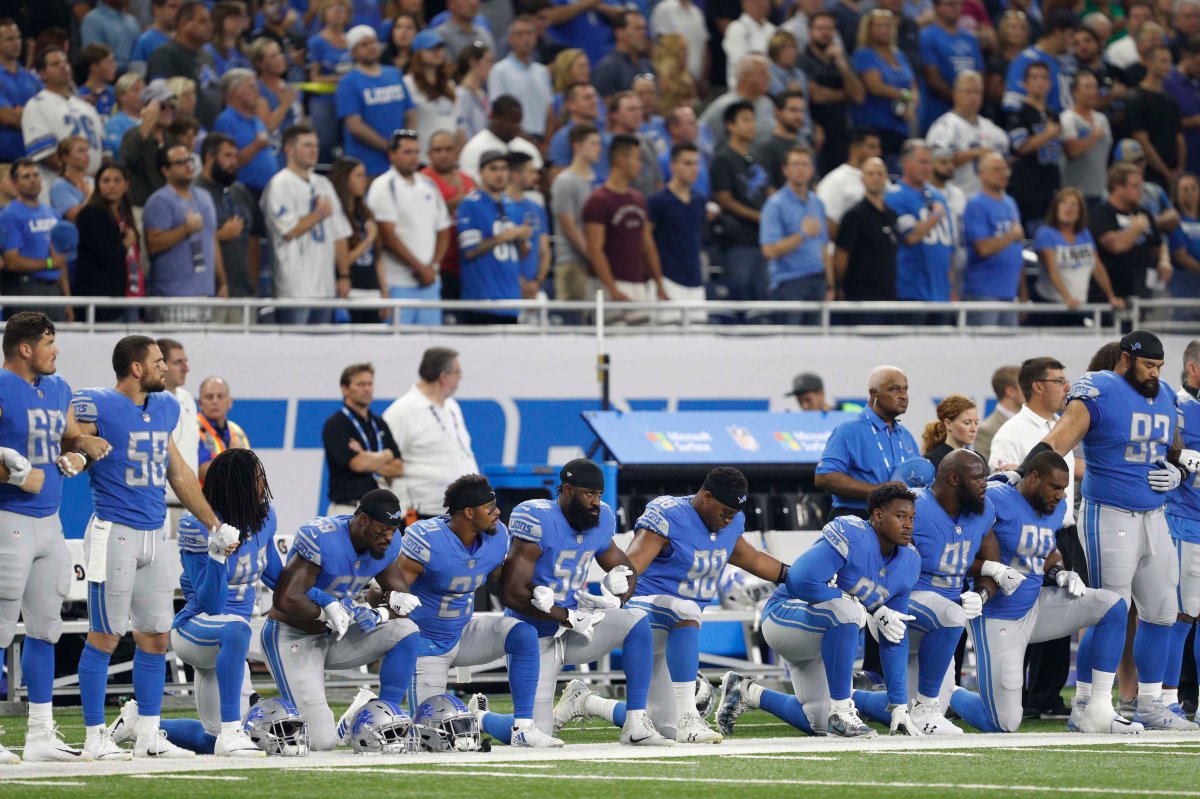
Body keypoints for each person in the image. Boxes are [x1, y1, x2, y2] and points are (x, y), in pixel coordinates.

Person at [71, 336, 229, 760]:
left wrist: (213, 522)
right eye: (158, 361)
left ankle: (149, 734)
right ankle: (93, 736)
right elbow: (73, 439)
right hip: (113, 530)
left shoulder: (165, 408)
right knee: (105, 635)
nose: (166, 368)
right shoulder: (98, 403)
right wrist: (82, 446)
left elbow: (178, 472)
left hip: (154, 532)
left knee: (156, 637)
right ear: (136, 368)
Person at [1033, 329, 1200, 731]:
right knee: (1110, 608)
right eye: (1147, 365)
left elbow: (1173, 448)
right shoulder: (1100, 388)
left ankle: (1150, 704)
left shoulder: (1165, 398)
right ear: (1125, 359)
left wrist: (1177, 471)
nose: (1154, 374)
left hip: (1155, 515)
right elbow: (1054, 443)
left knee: (1161, 612)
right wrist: (1027, 477)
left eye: (1159, 367)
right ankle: (1091, 706)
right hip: (1109, 511)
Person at [573, 467, 791, 743]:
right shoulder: (670, 515)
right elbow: (631, 566)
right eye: (724, 513)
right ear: (707, 497)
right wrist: (616, 595)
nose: (728, 521)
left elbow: (754, 559)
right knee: (684, 609)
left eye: (733, 516)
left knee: (663, 726)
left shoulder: (730, 522)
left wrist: (794, 575)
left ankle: (585, 702)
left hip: (678, 630)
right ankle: (690, 717)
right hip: (643, 612)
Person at [949, 451, 1137, 734]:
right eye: (1055, 487)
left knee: (1112, 605)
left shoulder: (1055, 509)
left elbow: (1045, 550)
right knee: (1003, 724)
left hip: (1036, 605)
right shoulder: (996, 499)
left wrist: (1059, 571)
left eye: (1064, 489)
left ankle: (1093, 709)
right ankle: (944, 691)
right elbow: (957, 549)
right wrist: (993, 570)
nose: (1061, 496)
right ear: (1033, 478)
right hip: (999, 617)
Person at [715, 485, 923, 738]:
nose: (908, 524)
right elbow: (799, 579)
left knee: (818, 722)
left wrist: (899, 706)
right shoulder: (854, 535)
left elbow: (894, 633)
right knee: (848, 611)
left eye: (911, 518)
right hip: (785, 616)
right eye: (900, 516)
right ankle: (842, 710)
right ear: (877, 515)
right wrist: (868, 605)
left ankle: (746, 692)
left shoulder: (909, 561)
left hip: (824, 634)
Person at [0, 312, 111, 764]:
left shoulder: (59, 387)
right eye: (49, 341)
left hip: (50, 522)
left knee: (46, 627)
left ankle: (41, 734)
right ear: (25, 348)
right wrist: (10, 475)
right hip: (7, 518)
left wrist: (80, 455)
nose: (56, 349)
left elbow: (72, 437)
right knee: (1, 627)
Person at [495, 459, 664, 743]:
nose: (597, 502)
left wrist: (617, 595)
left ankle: (635, 722)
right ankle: (479, 717)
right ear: (568, 490)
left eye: (599, 494)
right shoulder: (537, 517)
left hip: (576, 627)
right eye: (590, 494)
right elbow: (511, 592)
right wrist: (565, 615)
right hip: (532, 632)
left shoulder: (602, 519)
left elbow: (627, 571)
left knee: (635, 621)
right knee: (533, 733)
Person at [390, 474, 561, 747]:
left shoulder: (496, 537)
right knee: (432, 738)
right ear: (469, 513)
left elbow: (498, 585)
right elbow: (390, 587)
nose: (498, 512)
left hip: (463, 632)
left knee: (522, 633)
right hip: (425, 642)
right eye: (490, 507)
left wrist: (535, 591)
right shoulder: (427, 537)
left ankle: (522, 726)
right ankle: (359, 715)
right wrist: (394, 604)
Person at [842, 451, 992, 735]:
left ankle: (849, 697)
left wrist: (987, 584)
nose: (908, 523)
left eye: (910, 517)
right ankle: (923, 708)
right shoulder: (911, 511)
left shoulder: (982, 509)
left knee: (994, 722)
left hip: (938, 619)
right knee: (951, 615)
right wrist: (874, 606)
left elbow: (985, 557)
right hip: (899, 608)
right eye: (977, 477)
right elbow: (864, 563)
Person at [260, 488, 422, 752]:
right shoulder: (323, 537)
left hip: (337, 635)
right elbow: (286, 598)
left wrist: (378, 611)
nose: (389, 537)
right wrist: (327, 611)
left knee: (406, 630)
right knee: (320, 742)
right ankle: (250, 720)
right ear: (363, 519)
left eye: (394, 529)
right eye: (382, 529)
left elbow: (402, 599)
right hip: (293, 634)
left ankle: (381, 716)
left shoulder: (388, 543)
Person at [148, 448, 280, 757]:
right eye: (256, 479)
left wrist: (323, 600)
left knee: (211, 739)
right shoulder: (198, 525)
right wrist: (217, 557)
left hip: (234, 641)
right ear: (237, 486)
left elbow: (277, 575)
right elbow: (210, 604)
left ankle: (139, 724)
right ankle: (233, 732)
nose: (263, 484)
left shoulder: (265, 515)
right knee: (235, 629)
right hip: (197, 629)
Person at [261, 124, 351, 325]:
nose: (314, 150)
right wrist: (318, 213)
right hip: (294, 289)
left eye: (316, 145)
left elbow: (340, 233)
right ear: (289, 150)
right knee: (294, 350)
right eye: (307, 145)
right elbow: (288, 230)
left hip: (325, 287)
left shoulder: (323, 184)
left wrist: (344, 275)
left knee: (322, 352)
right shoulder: (279, 184)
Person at [365, 129, 452, 326]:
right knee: (397, 346)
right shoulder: (383, 186)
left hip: (429, 282)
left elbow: (443, 230)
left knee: (430, 343)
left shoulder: (429, 184)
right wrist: (419, 268)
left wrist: (432, 267)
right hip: (397, 281)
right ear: (392, 154)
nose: (413, 158)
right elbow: (387, 235)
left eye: (416, 152)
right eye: (407, 152)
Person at [815, 365, 922, 521]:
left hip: (897, 520)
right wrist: (877, 491)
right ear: (874, 393)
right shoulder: (849, 430)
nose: (903, 396)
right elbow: (824, 477)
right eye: (894, 389)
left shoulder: (905, 435)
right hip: (855, 518)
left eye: (905, 389)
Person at [382, 348, 478, 519]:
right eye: (457, 372)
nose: (460, 377)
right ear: (443, 377)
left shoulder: (452, 407)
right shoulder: (402, 411)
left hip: (459, 513)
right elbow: (383, 465)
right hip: (421, 514)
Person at [583, 134, 668, 322]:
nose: (640, 165)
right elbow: (595, 250)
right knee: (612, 343)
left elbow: (647, 244)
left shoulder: (638, 199)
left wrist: (659, 283)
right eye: (637, 158)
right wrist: (613, 289)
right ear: (621, 159)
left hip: (637, 283)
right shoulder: (598, 201)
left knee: (640, 346)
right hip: (608, 285)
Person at [143, 143, 225, 322]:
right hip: (173, 297)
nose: (188, 165)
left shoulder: (204, 196)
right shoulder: (159, 201)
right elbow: (153, 244)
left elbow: (212, 240)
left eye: (189, 159)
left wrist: (223, 282)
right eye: (180, 162)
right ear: (166, 170)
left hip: (205, 293)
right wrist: (185, 229)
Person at [454, 150, 531, 324]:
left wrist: (522, 237)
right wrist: (504, 236)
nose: (500, 174)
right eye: (493, 169)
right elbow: (470, 250)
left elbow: (523, 254)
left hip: (511, 302)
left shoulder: (514, 207)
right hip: (481, 301)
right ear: (481, 172)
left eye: (504, 169)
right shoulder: (470, 204)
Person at [1165, 350, 1200, 717]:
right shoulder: (1173, 406)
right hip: (1185, 520)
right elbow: (1154, 454)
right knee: (1181, 615)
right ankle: (1167, 702)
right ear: (1193, 367)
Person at [195, 131, 261, 324]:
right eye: (227, 156)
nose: (234, 162)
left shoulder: (240, 192)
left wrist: (253, 283)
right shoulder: (195, 192)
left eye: (235, 156)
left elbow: (253, 239)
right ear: (209, 157)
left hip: (244, 292)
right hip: (213, 292)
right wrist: (218, 236)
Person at [760, 146, 830, 326]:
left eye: (805, 164)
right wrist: (802, 234)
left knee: (816, 346)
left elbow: (823, 247)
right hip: (789, 283)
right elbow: (768, 250)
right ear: (785, 170)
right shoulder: (775, 204)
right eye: (796, 164)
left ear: (812, 170)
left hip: (818, 282)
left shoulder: (817, 203)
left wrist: (830, 285)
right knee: (790, 345)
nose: (801, 169)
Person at [1032, 187, 1124, 323]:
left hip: (1078, 306)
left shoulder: (1085, 234)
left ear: (1080, 212)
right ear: (1056, 207)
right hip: (1052, 306)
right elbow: (1052, 270)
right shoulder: (1045, 233)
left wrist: (1111, 297)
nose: (1068, 209)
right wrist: (1067, 297)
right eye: (1064, 203)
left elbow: (1097, 268)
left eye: (1073, 205)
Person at [336, 25, 417, 178]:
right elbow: (355, 125)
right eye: (364, 45)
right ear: (353, 52)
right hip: (367, 164)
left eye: (373, 42)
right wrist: (390, 147)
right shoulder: (348, 82)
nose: (371, 47)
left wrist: (407, 142)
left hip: (401, 162)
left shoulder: (394, 73)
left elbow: (410, 112)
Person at [322, 363, 404, 516]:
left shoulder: (379, 423)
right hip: (348, 507)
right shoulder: (336, 424)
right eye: (360, 384)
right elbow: (358, 464)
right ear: (344, 388)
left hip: (380, 508)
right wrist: (386, 455)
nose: (367, 389)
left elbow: (399, 468)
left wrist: (367, 457)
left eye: (370, 384)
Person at [712, 100, 770, 306]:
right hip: (738, 240)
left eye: (753, 120)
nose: (752, 125)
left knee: (762, 296)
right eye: (745, 120)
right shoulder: (723, 158)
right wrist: (759, 217)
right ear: (730, 125)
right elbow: (724, 199)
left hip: (763, 240)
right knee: (741, 294)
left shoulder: (755, 158)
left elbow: (767, 191)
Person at [23, 48, 104, 194]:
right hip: (59, 185)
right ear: (42, 74)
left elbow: (104, 149)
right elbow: (46, 154)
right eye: (55, 64)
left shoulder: (87, 107)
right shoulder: (35, 105)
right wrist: (77, 177)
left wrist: (99, 180)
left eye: (65, 62)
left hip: (94, 185)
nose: (63, 66)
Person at [0, 159, 73, 321]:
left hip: (54, 288)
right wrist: (49, 263)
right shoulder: (9, 215)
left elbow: (60, 261)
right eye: (26, 176)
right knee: (29, 344)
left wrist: (67, 300)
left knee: (56, 343)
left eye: (35, 175)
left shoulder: (53, 213)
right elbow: (12, 261)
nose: (33, 180)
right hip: (24, 289)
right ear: (14, 182)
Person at [887, 139, 954, 315]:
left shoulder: (937, 196)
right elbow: (911, 237)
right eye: (922, 162)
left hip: (941, 293)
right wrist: (936, 216)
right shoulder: (896, 196)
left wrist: (951, 287)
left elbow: (949, 246)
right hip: (912, 291)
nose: (927, 168)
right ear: (906, 163)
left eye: (929, 163)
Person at [1091, 163, 1171, 305]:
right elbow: (1115, 245)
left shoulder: (1144, 213)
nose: (1140, 191)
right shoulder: (1102, 213)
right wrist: (1136, 228)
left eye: (1140, 186)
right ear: (1117, 187)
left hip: (1143, 288)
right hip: (1114, 291)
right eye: (1134, 186)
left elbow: (1159, 244)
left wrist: (1164, 260)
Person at [75, 161, 144, 322]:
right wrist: (126, 243)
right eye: (106, 181)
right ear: (98, 185)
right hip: (101, 301)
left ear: (126, 184)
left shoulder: (125, 214)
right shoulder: (91, 214)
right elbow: (102, 256)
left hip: (128, 293)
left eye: (117, 180)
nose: (111, 185)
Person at [962, 152, 1026, 326]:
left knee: (1010, 351)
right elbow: (983, 248)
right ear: (981, 173)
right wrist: (1011, 235)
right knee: (983, 349)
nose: (1004, 173)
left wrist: (1023, 293)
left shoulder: (1010, 203)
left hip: (1010, 292)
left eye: (1005, 169)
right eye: (997, 169)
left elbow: (1017, 252)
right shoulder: (976, 204)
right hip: (984, 292)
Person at [799, 11, 865, 176]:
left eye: (829, 28)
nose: (825, 32)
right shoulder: (802, 59)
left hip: (841, 131)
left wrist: (842, 65)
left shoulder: (842, 58)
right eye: (820, 28)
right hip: (816, 130)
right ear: (810, 32)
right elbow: (816, 95)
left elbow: (858, 95)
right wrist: (845, 94)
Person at [648, 142, 708, 323]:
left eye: (696, 164)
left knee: (698, 340)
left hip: (695, 280)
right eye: (688, 163)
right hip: (668, 280)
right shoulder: (658, 201)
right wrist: (657, 281)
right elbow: (645, 242)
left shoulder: (699, 200)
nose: (694, 169)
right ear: (672, 166)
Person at [832, 156, 899, 312]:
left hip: (888, 292)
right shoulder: (854, 216)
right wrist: (839, 285)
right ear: (862, 178)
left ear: (886, 178)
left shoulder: (892, 215)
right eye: (870, 174)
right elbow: (841, 255)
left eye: (879, 174)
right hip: (860, 294)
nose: (875, 178)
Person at [926, 71, 1009, 197]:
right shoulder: (945, 126)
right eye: (969, 92)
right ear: (956, 93)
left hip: (987, 200)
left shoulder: (991, 128)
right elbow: (937, 163)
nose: (974, 97)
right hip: (958, 197)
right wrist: (975, 153)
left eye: (977, 92)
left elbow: (1006, 158)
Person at [851, 9, 918, 162]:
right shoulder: (864, 54)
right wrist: (905, 95)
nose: (884, 30)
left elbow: (913, 84)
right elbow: (876, 87)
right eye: (878, 26)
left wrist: (912, 105)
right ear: (868, 29)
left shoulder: (900, 55)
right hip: (875, 125)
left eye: (887, 26)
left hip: (900, 126)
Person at [1004, 61, 1062, 227]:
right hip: (1026, 190)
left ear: (1050, 83)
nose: (1040, 82)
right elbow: (1021, 147)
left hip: (1050, 188)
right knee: (1029, 245)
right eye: (1035, 77)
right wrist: (1047, 134)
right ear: (1025, 83)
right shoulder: (1019, 113)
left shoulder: (1053, 114)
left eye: (1044, 77)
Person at [420, 131, 476, 302]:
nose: (443, 154)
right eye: (438, 150)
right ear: (429, 154)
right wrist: (450, 204)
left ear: (457, 152)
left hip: (466, 263)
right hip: (437, 262)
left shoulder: (469, 181)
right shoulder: (422, 181)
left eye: (448, 149)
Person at [146, 1, 219, 128]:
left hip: (207, 131)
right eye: (203, 21)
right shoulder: (166, 54)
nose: (210, 26)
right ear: (184, 23)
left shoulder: (206, 56)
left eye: (210, 21)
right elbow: (159, 99)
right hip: (181, 132)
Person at [331, 157, 386, 323]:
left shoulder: (365, 214)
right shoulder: (337, 216)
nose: (364, 180)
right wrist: (367, 240)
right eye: (359, 175)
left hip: (372, 292)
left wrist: (384, 292)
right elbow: (342, 260)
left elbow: (377, 258)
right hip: (351, 291)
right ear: (345, 178)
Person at [549, 123, 600, 306]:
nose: (598, 149)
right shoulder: (565, 181)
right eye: (593, 144)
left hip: (593, 263)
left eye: (599, 144)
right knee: (573, 321)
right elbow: (568, 226)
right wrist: (594, 255)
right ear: (577, 146)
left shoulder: (597, 181)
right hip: (572, 262)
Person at [919, 0, 984, 132]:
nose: (956, 8)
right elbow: (932, 76)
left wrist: (971, 99)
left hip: (970, 113)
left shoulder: (970, 38)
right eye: (950, 4)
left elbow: (980, 73)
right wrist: (959, 99)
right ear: (937, 7)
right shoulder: (927, 36)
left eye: (959, 4)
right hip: (938, 110)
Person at [1129, 45, 1185, 190]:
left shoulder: (1170, 101)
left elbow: (1179, 138)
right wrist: (1165, 172)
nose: (1167, 66)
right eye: (1162, 61)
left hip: (1173, 174)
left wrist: (1179, 169)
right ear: (1148, 62)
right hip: (1149, 175)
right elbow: (1142, 140)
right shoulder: (1136, 98)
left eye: (1169, 62)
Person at [212, 69, 275, 199]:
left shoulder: (257, 120)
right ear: (234, 91)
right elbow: (226, 162)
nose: (257, 92)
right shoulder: (226, 121)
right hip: (245, 193)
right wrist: (256, 146)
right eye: (251, 87)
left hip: (268, 192)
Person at [1002, 8, 1075, 114]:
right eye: (1070, 35)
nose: (1072, 41)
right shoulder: (1026, 60)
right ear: (1058, 32)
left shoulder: (1061, 61)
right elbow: (1013, 104)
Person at [816, 127, 883, 241]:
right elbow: (828, 223)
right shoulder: (835, 181)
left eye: (878, 147)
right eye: (872, 147)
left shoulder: (881, 178)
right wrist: (849, 247)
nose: (878, 152)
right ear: (854, 148)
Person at [458, 94, 544, 182]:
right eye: (511, 121)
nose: (516, 127)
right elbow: (469, 184)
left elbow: (539, 181)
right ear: (493, 117)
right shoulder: (474, 148)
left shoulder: (527, 148)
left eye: (518, 122)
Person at [404, 31, 460, 161]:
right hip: (422, 157)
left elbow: (457, 125)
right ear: (418, 53)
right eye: (431, 49)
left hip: (448, 159)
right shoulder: (408, 84)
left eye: (440, 48)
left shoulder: (450, 85)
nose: (437, 52)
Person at [1059, 73, 1112, 208]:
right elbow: (1072, 151)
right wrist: (1093, 137)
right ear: (1075, 92)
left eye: (1094, 87)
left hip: (1100, 190)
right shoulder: (1068, 119)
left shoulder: (1102, 119)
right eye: (1087, 87)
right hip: (1076, 193)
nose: (1092, 92)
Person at [0, 20, 43, 164]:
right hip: (5, 159)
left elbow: (49, 109)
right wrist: (35, 116)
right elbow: (7, 118)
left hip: (33, 157)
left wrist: (22, 113)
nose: (16, 43)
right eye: (9, 39)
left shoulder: (31, 77)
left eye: (18, 38)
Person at [752, 90, 811, 191]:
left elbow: (812, 182)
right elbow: (767, 188)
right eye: (793, 110)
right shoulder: (765, 147)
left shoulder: (804, 145)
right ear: (777, 112)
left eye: (802, 111)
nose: (799, 116)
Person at [195, 376, 249, 483]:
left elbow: (252, 472)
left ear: (230, 402)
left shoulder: (237, 431)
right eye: (209, 397)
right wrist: (234, 459)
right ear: (200, 403)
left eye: (220, 396)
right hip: (205, 498)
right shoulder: (193, 428)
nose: (215, 401)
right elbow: (206, 473)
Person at [590, 11, 651, 99]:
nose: (644, 34)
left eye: (644, 29)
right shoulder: (608, 68)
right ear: (620, 32)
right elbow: (605, 108)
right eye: (638, 29)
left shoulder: (647, 65)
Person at [650, 0, 709, 84]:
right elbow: (664, 47)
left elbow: (704, 47)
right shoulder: (664, 9)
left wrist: (702, 79)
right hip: (673, 80)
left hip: (697, 79)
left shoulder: (697, 13)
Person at [974, 365, 1022, 465]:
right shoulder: (987, 430)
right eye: (1025, 386)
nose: (1031, 391)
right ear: (1011, 391)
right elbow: (983, 472)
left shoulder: (1032, 422)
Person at [1166, 37, 1200, 178]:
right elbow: (1163, 123)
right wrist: (1193, 121)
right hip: (1183, 159)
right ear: (1186, 56)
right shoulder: (1169, 82)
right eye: (1198, 63)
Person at [1169, 173, 1200, 318]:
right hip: (1185, 284)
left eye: (1193, 188)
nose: (1190, 192)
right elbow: (1180, 255)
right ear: (1176, 194)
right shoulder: (1175, 222)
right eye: (1185, 189)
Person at [920, 395, 979, 470]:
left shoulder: (978, 460)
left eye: (976, 423)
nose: (974, 429)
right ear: (948, 424)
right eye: (967, 423)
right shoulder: (932, 462)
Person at [455, 42, 494, 142]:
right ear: (473, 63)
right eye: (488, 61)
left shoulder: (482, 94)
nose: (492, 66)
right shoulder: (461, 94)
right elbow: (461, 129)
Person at [129, 0, 181, 76]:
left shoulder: (184, 41)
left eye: (180, 7)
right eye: (172, 6)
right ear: (157, 8)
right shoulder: (144, 42)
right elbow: (137, 80)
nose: (178, 12)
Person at [205, 1, 251, 77]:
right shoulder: (208, 51)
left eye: (240, 17)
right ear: (219, 20)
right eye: (233, 18)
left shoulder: (247, 50)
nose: (238, 21)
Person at [75, 43, 119, 121]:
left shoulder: (117, 94)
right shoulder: (78, 97)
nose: (114, 66)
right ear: (94, 68)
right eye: (109, 62)